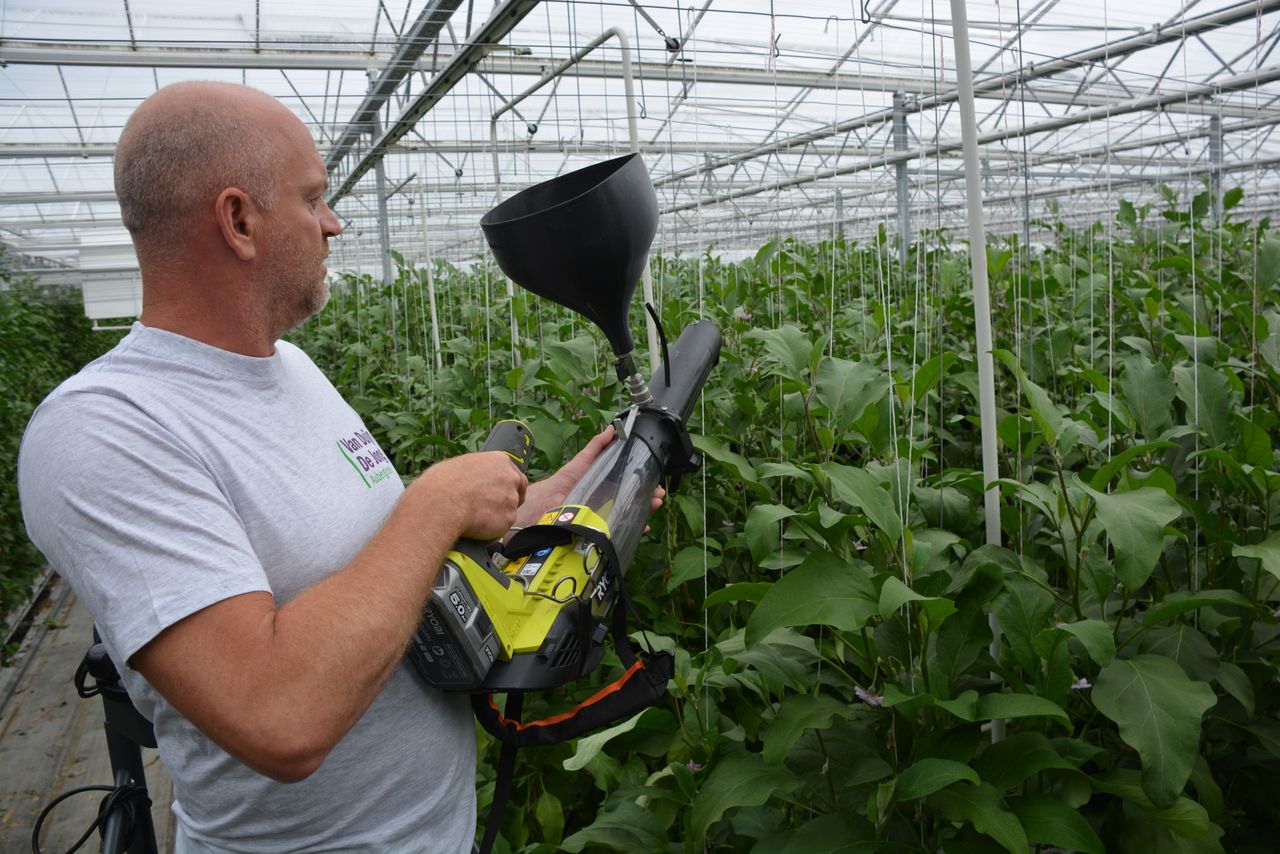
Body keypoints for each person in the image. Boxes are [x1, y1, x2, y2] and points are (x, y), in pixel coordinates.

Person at [18, 81, 648, 852]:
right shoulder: (105, 430)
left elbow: (367, 564)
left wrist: (527, 514)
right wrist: (435, 502)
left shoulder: (291, 369)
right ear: (239, 221)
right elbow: (278, 715)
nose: (334, 222)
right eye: (314, 199)